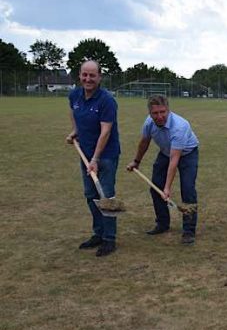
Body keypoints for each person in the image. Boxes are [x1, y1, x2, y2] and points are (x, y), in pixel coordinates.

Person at [126, 95, 200, 245]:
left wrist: (167, 188)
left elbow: (174, 160)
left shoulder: (180, 126)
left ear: (168, 110)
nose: (159, 116)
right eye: (155, 113)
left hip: (187, 153)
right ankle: (162, 223)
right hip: (166, 152)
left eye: (163, 112)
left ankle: (189, 231)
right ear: (150, 113)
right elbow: (144, 142)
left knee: (188, 189)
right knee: (155, 188)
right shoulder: (149, 123)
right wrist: (136, 161)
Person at [66, 60, 120, 257]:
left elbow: (106, 131)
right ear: (79, 75)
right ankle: (98, 233)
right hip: (86, 154)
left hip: (105, 156)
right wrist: (76, 131)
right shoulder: (74, 95)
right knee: (91, 196)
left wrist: (96, 159)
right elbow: (73, 113)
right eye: (84, 75)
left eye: (92, 75)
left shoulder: (107, 101)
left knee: (106, 197)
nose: (88, 79)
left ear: (99, 77)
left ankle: (109, 239)